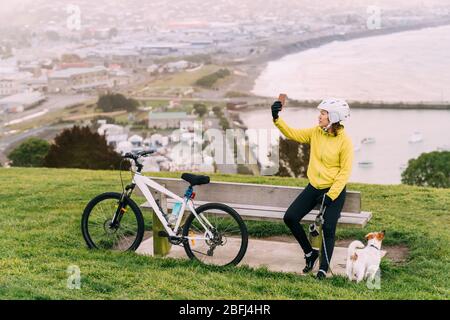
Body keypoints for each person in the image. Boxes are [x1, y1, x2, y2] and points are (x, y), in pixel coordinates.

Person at [271, 98, 354, 279]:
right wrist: (276, 118)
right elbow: (293, 134)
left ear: (333, 117)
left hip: (334, 191)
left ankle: (323, 269)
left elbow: (344, 172)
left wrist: (330, 196)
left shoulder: (345, 142)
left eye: (323, 114)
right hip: (314, 187)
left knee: (329, 228)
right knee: (290, 217)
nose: (319, 117)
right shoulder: (316, 132)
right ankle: (310, 253)